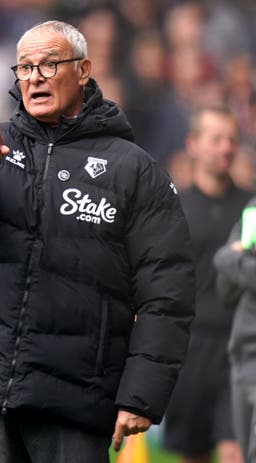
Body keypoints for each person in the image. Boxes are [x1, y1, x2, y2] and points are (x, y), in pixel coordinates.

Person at [0, 20, 195, 462]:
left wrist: (141, 394)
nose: (34, 77)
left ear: (84, 69)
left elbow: (168, 291)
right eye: (25, 67)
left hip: (77, 395)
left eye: (49, 65)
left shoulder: (133, 169)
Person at [163, 106, 249, 463]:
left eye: (232, 140)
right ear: (193, 144)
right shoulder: (172, 208)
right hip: (190, 350)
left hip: (240, 348)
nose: (226, 148)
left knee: (236, 450)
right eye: (216, 139)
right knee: (194, 454)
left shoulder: (252, 208)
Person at [214, 202, 256, 462]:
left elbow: (226, 260)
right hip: (242, 354)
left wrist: (229, 259)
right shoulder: (254, 209)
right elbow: (226, 293)